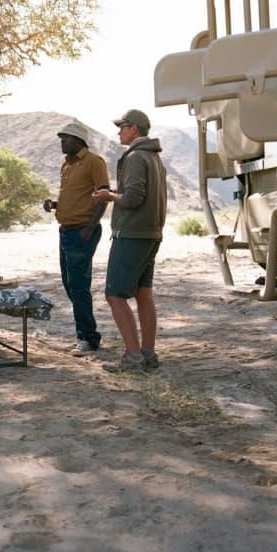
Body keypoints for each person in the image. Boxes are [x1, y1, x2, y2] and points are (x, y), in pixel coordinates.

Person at [93, 108, 166, 373]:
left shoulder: (135, 157)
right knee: (144, 294)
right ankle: (147, 354)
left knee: (114, 295)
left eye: (122, 127)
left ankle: (133, 357)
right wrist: (114, 193)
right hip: (151, 234)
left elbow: (134, 198)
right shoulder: (154, 157)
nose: (119, 132)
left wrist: (109, 197)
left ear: (134, 129)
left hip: (132, 234)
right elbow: (139, 194)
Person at [42, 120, 109, 355]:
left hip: (83, 230)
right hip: (66, 230)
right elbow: (79, 197)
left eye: (66, 138)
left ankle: (87, 338)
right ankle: (88, 334)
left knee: (79, 286)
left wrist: (90, 227)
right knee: (71, 285)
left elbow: (103, 196)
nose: (62, 141)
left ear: (79, 140)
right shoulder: (66, 165)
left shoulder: (94, 162)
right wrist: (55, 205)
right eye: (61, 138)